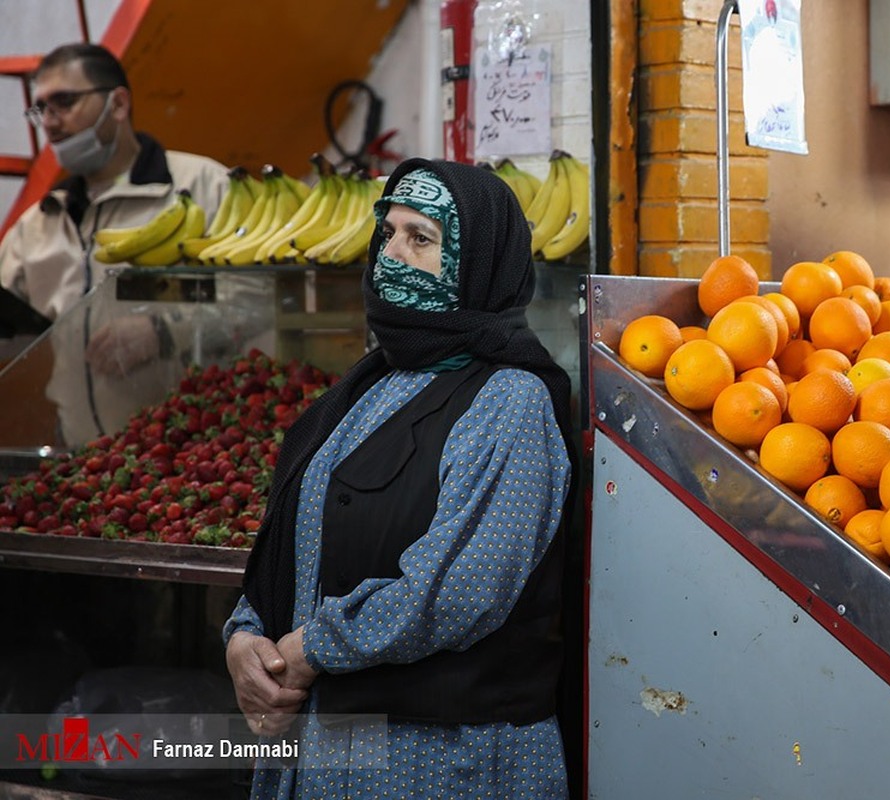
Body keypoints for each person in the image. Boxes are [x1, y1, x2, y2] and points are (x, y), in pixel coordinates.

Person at [224, 157, 579, 798]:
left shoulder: (511, 400)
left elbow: (458, 590)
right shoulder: (370, 385)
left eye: (422, 238)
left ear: (479, 263)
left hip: (442, 763)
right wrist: (248, 640)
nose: (392, 254)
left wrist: (304, 654)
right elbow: (297, 539)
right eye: (387, 233)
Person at [0, 43, 260, 448]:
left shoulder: (203, 186)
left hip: (194, 455)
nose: (50, 122)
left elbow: (259, 295)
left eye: (64, 102)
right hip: (80, 460)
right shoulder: (39, 224)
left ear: (118, 104)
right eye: (41, 109)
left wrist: (164, 331)